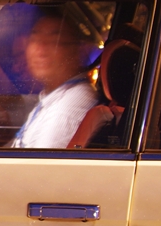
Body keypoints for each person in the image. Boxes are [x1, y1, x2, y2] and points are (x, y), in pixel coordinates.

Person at [10, 10, 99, 148]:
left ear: (76, 51)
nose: (40, 50)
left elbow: (40, 162)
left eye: (54, 41)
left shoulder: (67, 108)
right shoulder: (53, 95)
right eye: (35, 39)